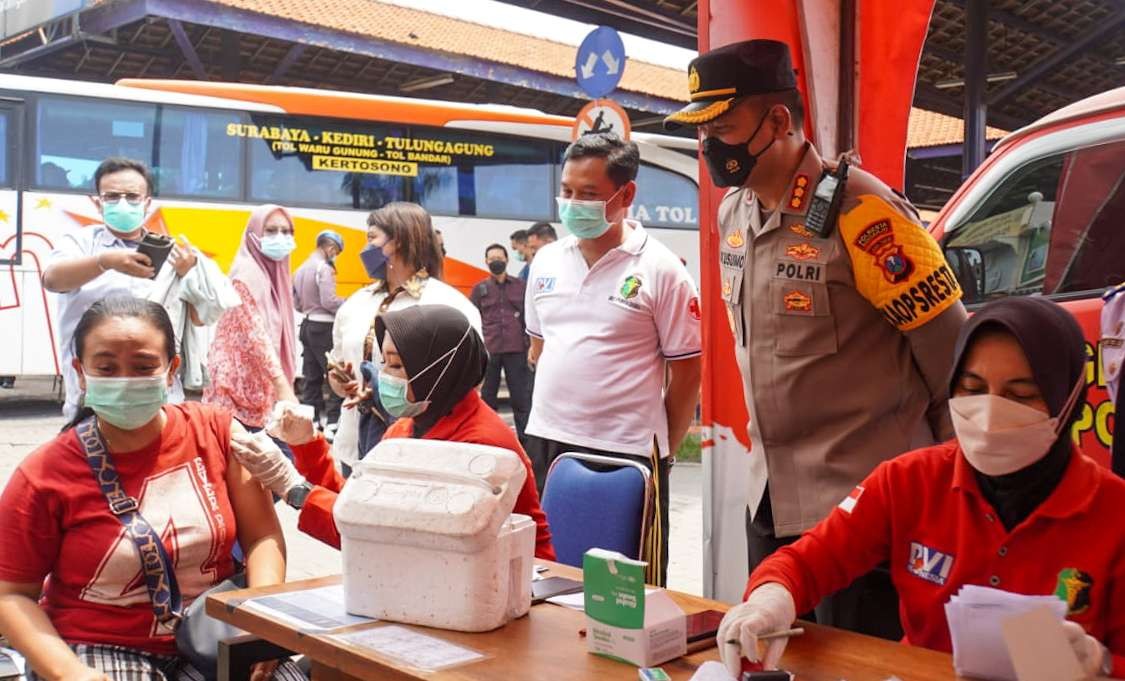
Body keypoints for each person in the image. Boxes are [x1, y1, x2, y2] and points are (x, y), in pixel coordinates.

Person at [665, 39, 967, 634]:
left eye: (723, 127)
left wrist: (947, 501)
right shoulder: (734, 214)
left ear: (777, 120)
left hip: (861, 511)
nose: (711, 147)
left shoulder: (865, 213)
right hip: (771, 502)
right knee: (774, 656)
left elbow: (954, 365)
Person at [718, 297, 1125, 679]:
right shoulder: (908, 481)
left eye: (1020, 395)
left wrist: (1099, 664)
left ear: (1067, 401)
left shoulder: (1114, 513)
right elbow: (808, 562)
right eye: (972, 389)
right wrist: (770, 601)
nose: (989, 412)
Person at [0, 296, 301, 681]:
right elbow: (12, 594)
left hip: (215, 634)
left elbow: (261, 537)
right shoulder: (44, 474)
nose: (125, 380)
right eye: (106, 368)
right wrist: (69, 673)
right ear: (80, 371)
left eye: (143, 367)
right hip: (99, 646)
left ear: (172, 369)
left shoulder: (218, 434)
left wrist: (260, 620)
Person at [230, 305, 555, 561]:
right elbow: (362, 502)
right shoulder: (408, 426)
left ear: (441, 372)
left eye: (396, 366)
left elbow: (385, 533)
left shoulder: (481, 448)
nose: (383, 377)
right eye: (383, 363)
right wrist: (307, 444)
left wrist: (294, 489)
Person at [524, 132, 702, 586]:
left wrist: (660, 448)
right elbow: (538, 347)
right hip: (549, 443)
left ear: (626, 195)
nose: (572, 204)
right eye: (566, 191)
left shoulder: (661, 270)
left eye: (588, 194)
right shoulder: (545, 261)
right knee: (551, 578)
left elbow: (686, 374)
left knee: (624, 592)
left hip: (627, 453)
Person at [42, 157, 203, 420]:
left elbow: (199, 317)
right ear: (98, 202)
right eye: (112, 197)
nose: (123, 203)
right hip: (95, 396)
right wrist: (105, 262)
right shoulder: (81, 243)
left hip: (160, 396)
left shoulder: (173, 252)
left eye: (132, 196)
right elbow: (53, 280)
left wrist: (190, 276)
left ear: (147, 202)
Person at [325, 203, 481, 469]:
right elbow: (336, 371)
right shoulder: (355, 303)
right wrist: (343, 382)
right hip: (353, 448)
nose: (366, 248)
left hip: (419, 452)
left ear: (397, 241)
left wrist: (389, 401)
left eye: (372, 237)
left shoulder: (448, 305)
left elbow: (467, 388)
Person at [205, 204, 300, 430]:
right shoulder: (247, 274)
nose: (280, 237)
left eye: (286, 232)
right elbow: (256, 336)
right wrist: (283, 387)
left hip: (259, 395)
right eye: (271, 231)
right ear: (254, 234)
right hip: (236, 396)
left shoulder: (274, 276)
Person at [470, 244, 531, 441]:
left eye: (499, 257)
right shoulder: (479, 289)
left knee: (521, 400)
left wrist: (530, 346)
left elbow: (529, 317)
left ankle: (525, 443)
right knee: (487, 401)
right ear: (486, 262)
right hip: (490, 352)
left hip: (517, 350)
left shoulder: (521, 286)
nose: (496, 261)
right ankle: (488, 439)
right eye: (491, 258)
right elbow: (472, 318)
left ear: (506, 260)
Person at [294, 229, 345, 434]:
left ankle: (313, 420)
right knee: (334, 374)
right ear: (331, 248)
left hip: (306, 325)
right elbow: (329, 301)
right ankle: (333, 423)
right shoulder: (323, 268)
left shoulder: (301, 268)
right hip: (324, 328)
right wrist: (348, 303)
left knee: (311, 375)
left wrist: (308, 309)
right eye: (337, 252)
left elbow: (295, 300)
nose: (335, 256)